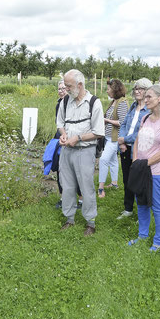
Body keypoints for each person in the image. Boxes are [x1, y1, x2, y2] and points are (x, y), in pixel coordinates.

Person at [128, 85, 160, 251]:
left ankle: (158, 242)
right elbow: (137, 140)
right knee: (141, 204)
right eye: (145, 97)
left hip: (156, 172)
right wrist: (136, 161)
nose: (145, 99)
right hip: (140, 169)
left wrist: (144, 164)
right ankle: (142, 236)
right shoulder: (145, 118)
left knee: (157, 206)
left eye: (149, 96)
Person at [57, 69, 105, 235]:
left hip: (85, 151)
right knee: (67, 186)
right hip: (67, 151)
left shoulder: (94, 103)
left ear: (79, 85)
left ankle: (90, 222)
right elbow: (60, 123)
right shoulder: (65, 102)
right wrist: (63, 135)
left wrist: (77, 138)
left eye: (69, 86)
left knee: (86, 187)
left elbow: (99, 132)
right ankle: (69, 218)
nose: (66, 89)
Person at [116, 78, 152, 219]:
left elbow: (143, 132)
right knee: (127, 180)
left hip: (140, 150)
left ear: (147, 91)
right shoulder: (133, 106)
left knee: (140, 182)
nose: (137, 91)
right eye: (136, 88)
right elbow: (124, 124)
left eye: (141, 89)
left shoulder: (149, 110)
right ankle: (128, 209)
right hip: (126, 149)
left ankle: (143, 214)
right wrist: (122, 142)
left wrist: (125, 139)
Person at [53, 80, 82, 209]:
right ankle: (63, 197)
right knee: (61, 169)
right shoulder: (59, 104)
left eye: (64, 88)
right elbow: (59, 124)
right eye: (59, 89)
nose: (61, 91)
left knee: (77, 170)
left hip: (75, 141)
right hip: (62, 139)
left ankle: (81, 199)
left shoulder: (74, 103)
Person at [98, 79, 128, 198]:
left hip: (115, 138)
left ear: (115, 90)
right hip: (109, 136)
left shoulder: (122, 103)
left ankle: (101, 188)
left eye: (109, 89)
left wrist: (106, 120)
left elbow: (123, 122)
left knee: (103, 160)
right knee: (113, 160)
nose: (107, 91)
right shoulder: (114, 102)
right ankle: (114, 183)